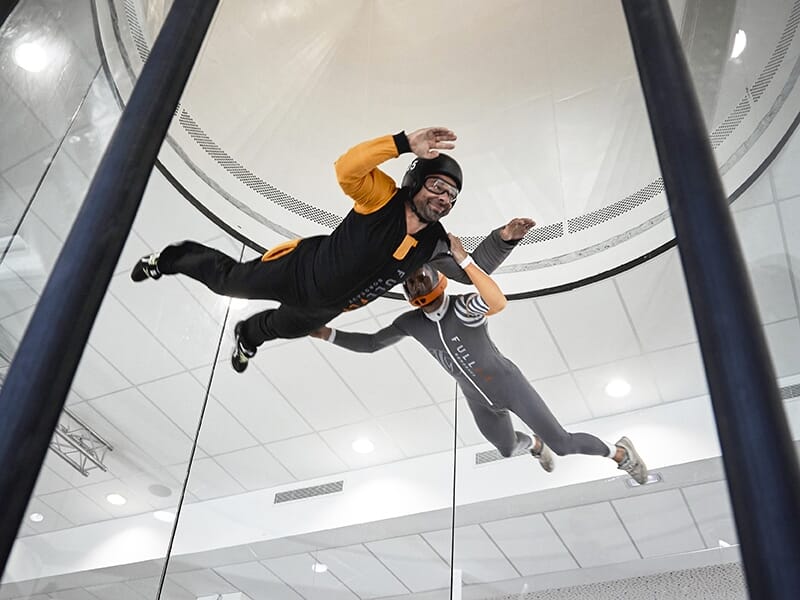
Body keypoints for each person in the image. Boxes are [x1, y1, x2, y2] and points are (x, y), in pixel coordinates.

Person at [130, 126, 535, 372]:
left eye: (451, 196)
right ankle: (166, 259)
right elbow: (347, 168)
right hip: (298, 270)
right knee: (226, 282)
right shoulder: (382, 197)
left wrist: (503, 241)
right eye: (438, 186)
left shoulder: (436, 242)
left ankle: (246, 337)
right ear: (416, 181)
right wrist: (401, 143)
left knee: (278, 328)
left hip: (325, 307)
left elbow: (471, 273)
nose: (444, 199)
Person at [310, 237, 648, 483]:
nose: (415, 286)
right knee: (505, 448)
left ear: (437, 278)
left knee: (563, 443)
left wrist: (466, 261)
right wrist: (327, 333)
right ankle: (533, 444)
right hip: (478, 400)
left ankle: (620, 453)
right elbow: (371, 344)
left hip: (509, 386)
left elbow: (496, 302)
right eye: (410, 283)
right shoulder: (410, 323)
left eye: (420, 278)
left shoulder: (463, 308)